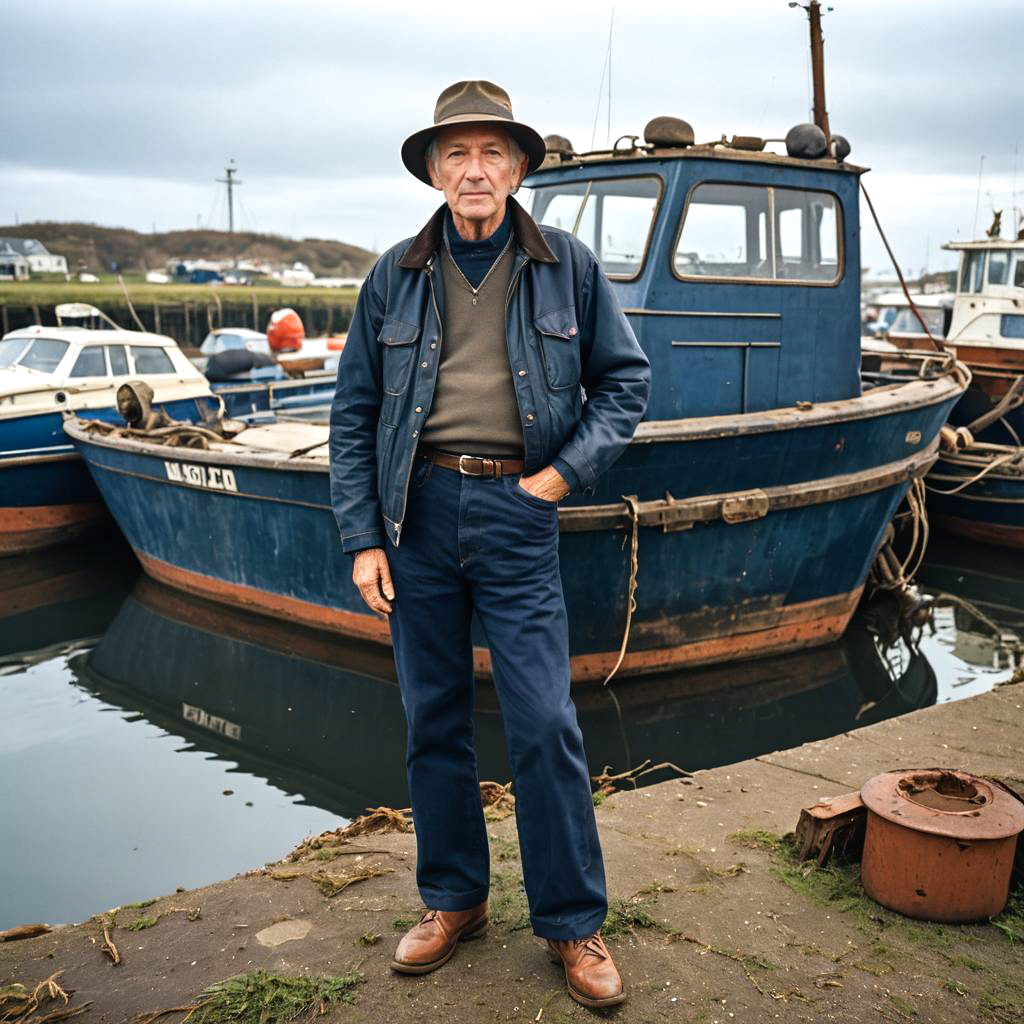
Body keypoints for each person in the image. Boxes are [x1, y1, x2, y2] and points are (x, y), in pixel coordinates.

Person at [329, 80, 650, 1009]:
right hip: (416, 519)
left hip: (518, 515)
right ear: (434, 170)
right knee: (434, 719)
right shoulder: (394, 272)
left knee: (545, 723)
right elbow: (352, 414)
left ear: (517, 168)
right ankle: (453, 900)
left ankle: (573, 924)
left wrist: (557, 479)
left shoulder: (569, 267)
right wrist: (363, 539)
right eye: (456, 154)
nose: (475, 170)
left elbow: (624, 385)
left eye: (492, 153)